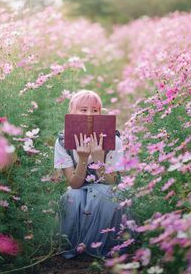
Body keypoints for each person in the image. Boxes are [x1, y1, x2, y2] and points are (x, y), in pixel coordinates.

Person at [54, 90, 136, 259]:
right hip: (78, 189)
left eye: (95, 110)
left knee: (106, 195)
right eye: (83, 110)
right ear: (72, 112)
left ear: (100, 113)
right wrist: (83, 159)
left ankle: (106, 246)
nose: (89, 114)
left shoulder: (114, 139)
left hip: (105, 188)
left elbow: (111, 181)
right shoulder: (63, 142)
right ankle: (76, 245)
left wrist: (99, 159)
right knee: (72, 197)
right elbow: (74, 184)